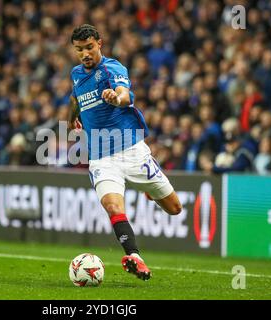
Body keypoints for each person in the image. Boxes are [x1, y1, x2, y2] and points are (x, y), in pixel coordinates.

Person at [67, 24, 182, 281]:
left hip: (131, 151)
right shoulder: (76, 74)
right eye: (79, 50)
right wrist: (74, 121)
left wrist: (115, 99)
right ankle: (135, 257)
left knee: (175, 208)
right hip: (100, 157)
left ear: (100, 43)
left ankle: (149, 189)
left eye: (89, 47)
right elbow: (75, 100)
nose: (85, 54)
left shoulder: (112, 68)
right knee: (111, 205)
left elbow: (125, 95)